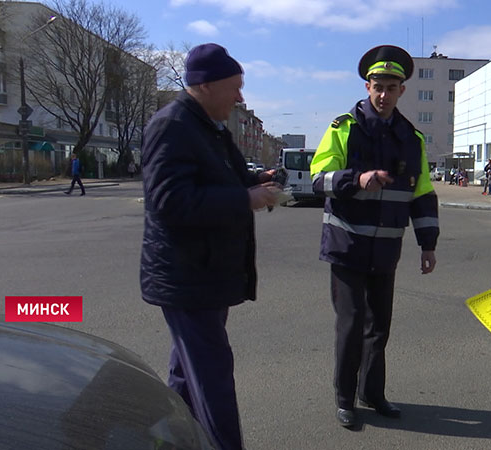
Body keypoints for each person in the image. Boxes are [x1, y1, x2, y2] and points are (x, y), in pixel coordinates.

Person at [139, 43, 281, 450]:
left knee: (187, 372)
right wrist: (246, 199)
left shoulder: (209, 127)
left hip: (207, 273)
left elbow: (225, 182)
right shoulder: (173, 125)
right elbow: (170, 202)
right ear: (206, 85)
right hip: (187, 279)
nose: (240, 97)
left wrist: (260, 182)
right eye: (235, 88)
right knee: (213, 375)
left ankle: (169, 438)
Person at [310, 44, 439, 429]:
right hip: (346, 246)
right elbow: (319, 178)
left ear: (402, 90)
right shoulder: (342, 128)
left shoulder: (411, 139)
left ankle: (373, 392)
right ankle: (345, 398)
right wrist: (356, 179)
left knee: (379, 326)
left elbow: (422, 194)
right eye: (377, 86)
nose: (383, 94)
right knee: (350, 327)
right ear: (367, 87)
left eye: (391, 87)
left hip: (386, 249)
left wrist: (427, 244)